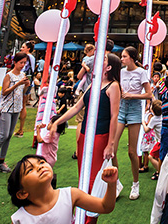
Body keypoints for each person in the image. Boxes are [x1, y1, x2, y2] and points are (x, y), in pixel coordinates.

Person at [48, 52, 121, 208]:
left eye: (105, 60)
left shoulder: (113, 86)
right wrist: (57, 122)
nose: (100, 60)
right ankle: (83, 211)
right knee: (83, 174)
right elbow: (76, 107)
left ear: (108, 67)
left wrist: (111, 144)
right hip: (84, 135)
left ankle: (90, 214)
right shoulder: (92, 84)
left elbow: (114, 117)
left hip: (100, 136)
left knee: (93, 178)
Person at [8, 154, 118, 224]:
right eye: (30, 170)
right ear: (22, 193)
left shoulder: (70, 195)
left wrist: (111, 184)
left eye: (41, 162)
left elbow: (105, 206)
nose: (40, 167)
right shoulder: (19, 219)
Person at [0, 52, 30, 178]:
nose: (23, 65)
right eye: (21, 62)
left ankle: (1, 162)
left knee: (8, 136)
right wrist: (18, 84)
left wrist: (25, 86)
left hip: (16, 108)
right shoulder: (9, 75)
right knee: (3, 135)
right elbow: (4, 92)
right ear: (15, 62)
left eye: (24, 63)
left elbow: (22, 92)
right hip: (6, 107)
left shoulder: (23, 75)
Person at [113, 46, 152, 200]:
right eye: (121, 57)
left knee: (132, 151)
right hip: (121, 108)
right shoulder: (121, 72)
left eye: (124, 56)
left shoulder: (141, 72)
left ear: (132, 58)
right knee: (112, 150)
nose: (122, 59)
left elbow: (149, 94)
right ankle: (116, 183)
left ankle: (135, 184)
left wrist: (132, 96)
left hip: (135, 110)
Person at [15, 40, 37, 137]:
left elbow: (23, 69)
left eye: (23, 47)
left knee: (19, 104)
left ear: (28, 49)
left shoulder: (27, 57)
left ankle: (20, 129)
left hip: (23, 82)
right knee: (23, 105)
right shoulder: (32, 57)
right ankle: (20, 129)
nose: (21, 49)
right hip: (29, 81)